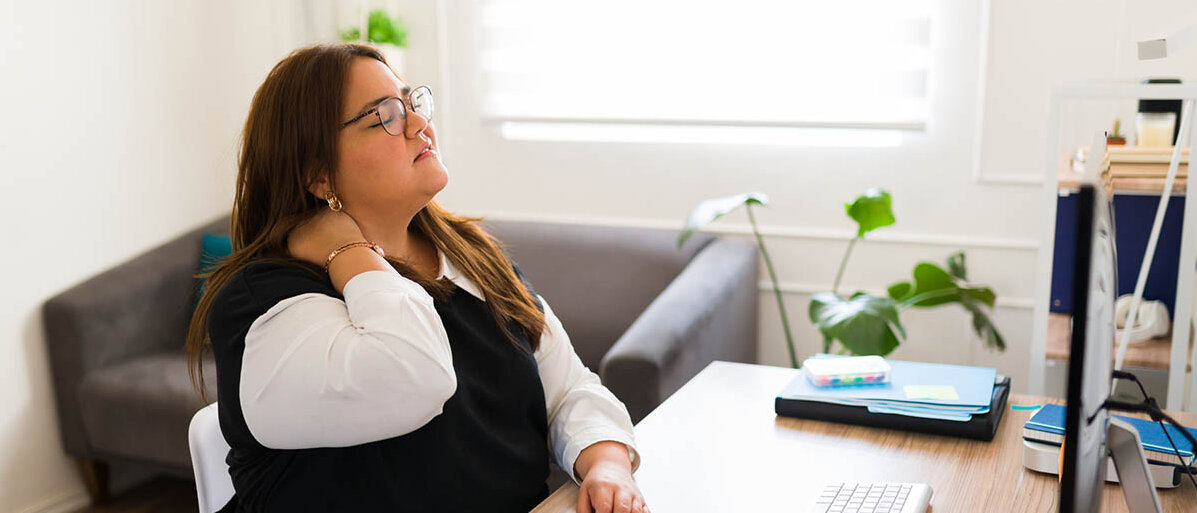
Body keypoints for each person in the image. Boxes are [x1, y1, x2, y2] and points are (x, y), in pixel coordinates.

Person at [184, 42, 647, 513]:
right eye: (384, 116)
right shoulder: (263, 304)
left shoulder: (470, 256)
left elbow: (568, 390)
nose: (419, 124)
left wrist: (606, 463)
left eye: (412, 103)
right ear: (318, 175)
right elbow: (416, 376)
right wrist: (350, 252)